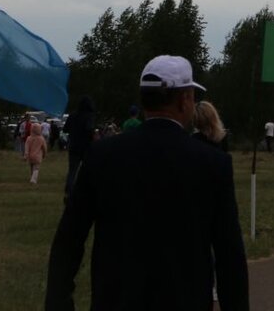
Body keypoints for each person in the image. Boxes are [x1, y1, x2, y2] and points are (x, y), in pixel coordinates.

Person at [46, 55, 249, 311]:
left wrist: (58, 303)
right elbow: (230, 257)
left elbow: (69, 239)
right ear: (185, 99)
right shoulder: (213, 163)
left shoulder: (101, 155)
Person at [62, 96, 95, 199]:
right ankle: (86, 188)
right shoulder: (89, 116)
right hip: (86, 146)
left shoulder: (72, 116)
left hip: (74, 146)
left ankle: (69, 188)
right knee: (87, 168)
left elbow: (65, 129)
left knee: (72, 170)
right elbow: (89, 130)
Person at [26, 120, 48, 185]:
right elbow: (44, 148)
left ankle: (32, 177)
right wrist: (44, 154)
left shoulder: (29, 138)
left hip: (30, 156)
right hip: (38, 156)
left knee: (31, 167)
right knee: (36, 168)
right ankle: (33, 180)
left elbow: (26, 147)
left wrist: (26, 154)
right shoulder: (41, 138)